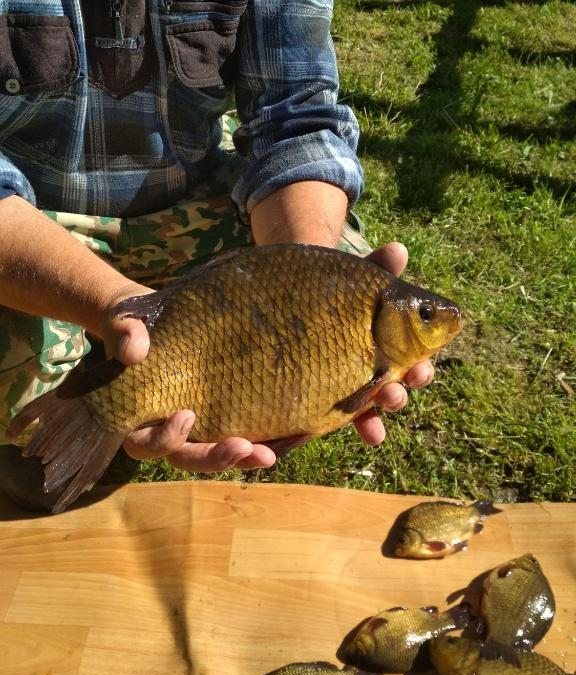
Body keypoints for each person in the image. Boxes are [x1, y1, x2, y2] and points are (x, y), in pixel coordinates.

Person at [0, 1, 433, 511]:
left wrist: (308, 307)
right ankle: (87, 410)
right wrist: (114, 302)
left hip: (190, 194)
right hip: (25, 223)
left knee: (342, 268)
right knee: (31, 464)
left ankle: (157, 396)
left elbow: (295, 118)